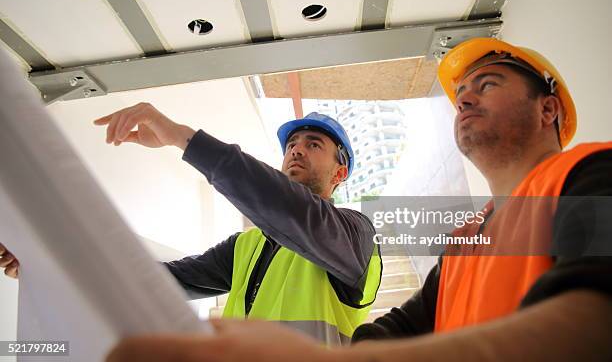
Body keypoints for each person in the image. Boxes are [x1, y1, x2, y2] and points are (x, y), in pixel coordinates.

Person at [104, 38, 612, 361]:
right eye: (461, 94)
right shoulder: (464, 245)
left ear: (547, 109)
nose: (465, 99)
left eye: (488, 83)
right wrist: (47, 259)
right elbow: (401, 330)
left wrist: (184, 139)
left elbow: (596, 324)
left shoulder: (590, 173)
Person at [0, 108, 382, 346]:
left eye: (314, 144)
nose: (296, 149)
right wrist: (48, 264)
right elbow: (160, 281)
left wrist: (181, 138)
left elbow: (288, 209)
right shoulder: (246, 247)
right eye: (292, 143)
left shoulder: (354, 235)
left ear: (340, 172)